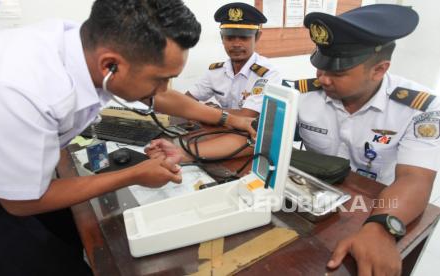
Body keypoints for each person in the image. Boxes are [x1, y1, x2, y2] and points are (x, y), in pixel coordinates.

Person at [146, 4, 440, 275]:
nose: (323, 79)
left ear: (379, 69)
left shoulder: (420, 109)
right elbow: (254, 138)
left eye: (337, 72)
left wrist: (380, 228)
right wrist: (185, 153)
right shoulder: (301, 94)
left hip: (379, 203)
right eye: (320, 66)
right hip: (309, 200)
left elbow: (415, 177)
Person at [0, 0, 255, 275]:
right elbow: (20, 202)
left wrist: (230, 119)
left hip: (7, 171)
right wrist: (133, 174)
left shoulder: (83, 48)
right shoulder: (22, 90)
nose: (163, 89)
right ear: (110, 65)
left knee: (72, 234)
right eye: (159, 79)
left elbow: (165, 97)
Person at [185, 2, 283, 117]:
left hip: (251, 133)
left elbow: (248, 115)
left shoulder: (268, 73)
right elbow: (187, 99)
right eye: (230, 38)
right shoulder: (215, 71)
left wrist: (212, 111)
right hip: (221, 128)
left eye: (244, 37)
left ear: (257, 37)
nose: (236, 44)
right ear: (222, 38)